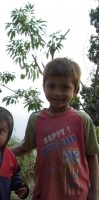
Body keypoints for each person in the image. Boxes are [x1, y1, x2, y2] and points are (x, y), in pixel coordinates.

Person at [12, 57, 99, 200]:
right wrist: (0, 152)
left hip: (76, 194)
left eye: (65, 87)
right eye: (51, 86)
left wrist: (95, 192)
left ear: (75, 90)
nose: (57, 93)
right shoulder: (36, 119)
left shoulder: (82, 119)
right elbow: (25, 148)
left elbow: (92, 155)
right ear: (44, 86)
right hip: (45, 192)